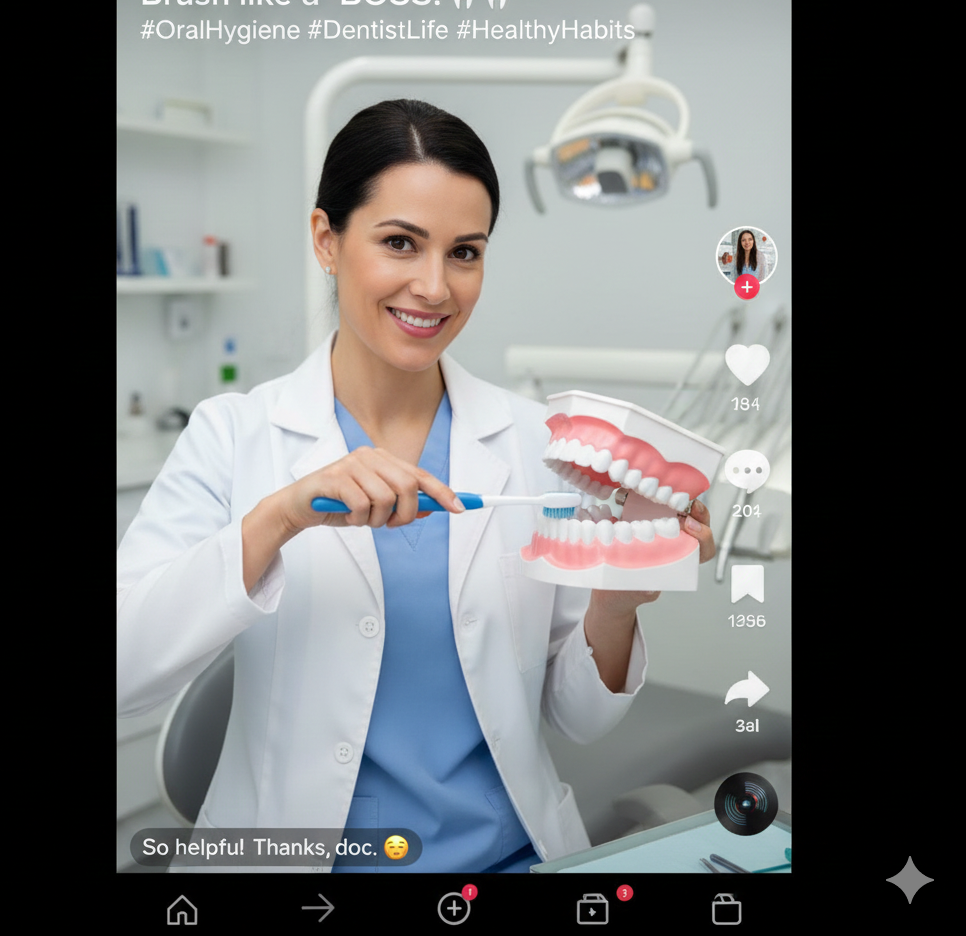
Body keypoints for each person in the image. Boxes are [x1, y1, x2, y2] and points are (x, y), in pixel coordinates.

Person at [116, 99, 716, 873]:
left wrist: (617, 600)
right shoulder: (236, 435)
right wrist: (281, 517)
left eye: (465, 252)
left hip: (505, 859)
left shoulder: (532, 441)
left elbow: (577, 717)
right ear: (326, 240)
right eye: (401, 243)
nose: (434, 286)